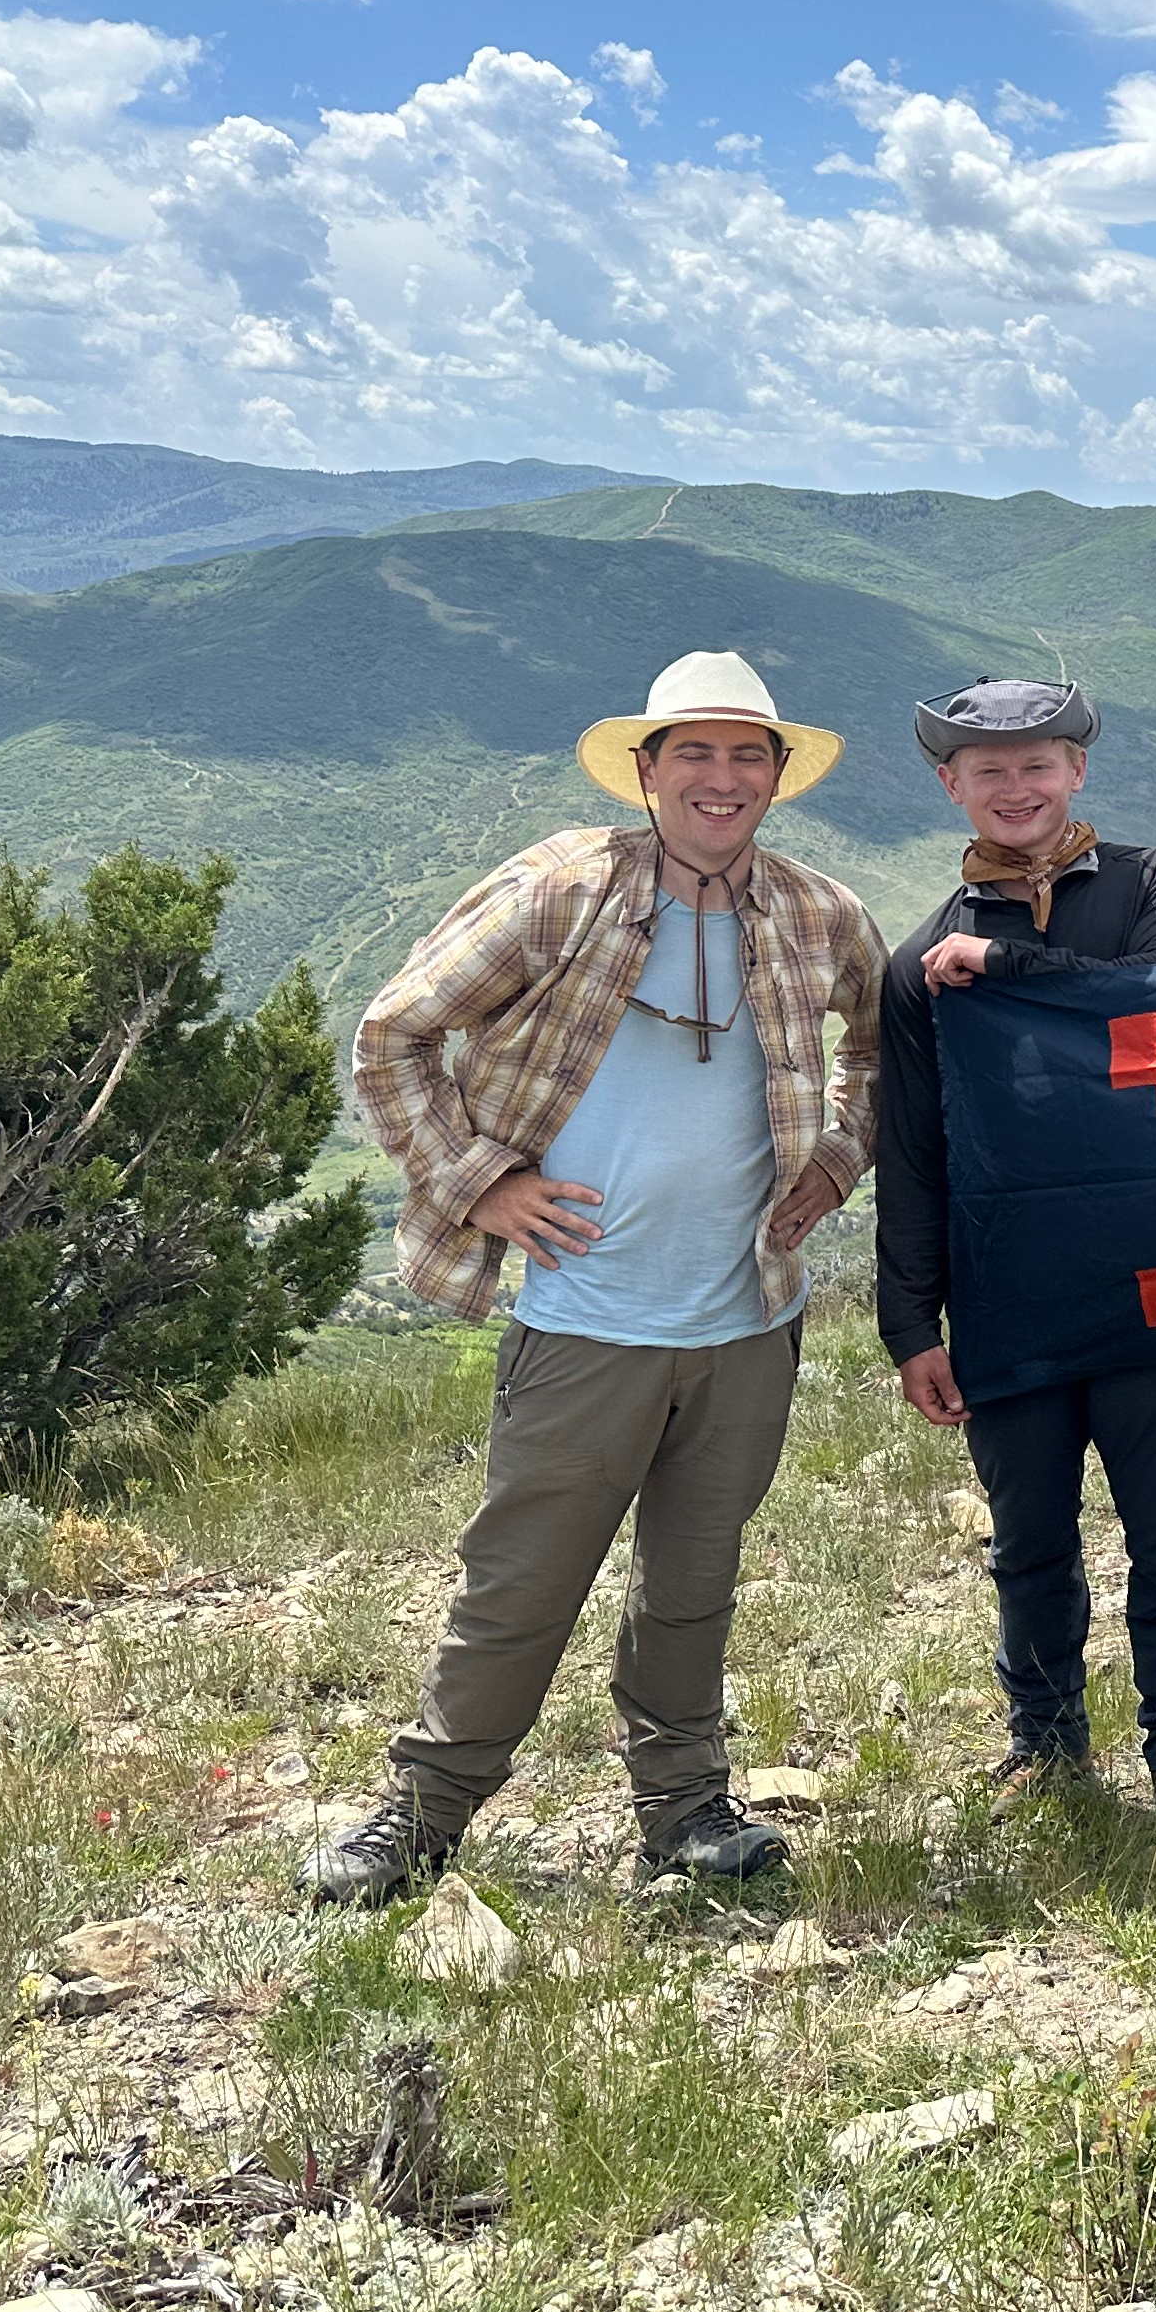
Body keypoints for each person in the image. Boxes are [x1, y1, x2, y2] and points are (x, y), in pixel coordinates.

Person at [309, 651, 881, 1907]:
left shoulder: (817, 913)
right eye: (696, 753)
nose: (721, 779)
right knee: (520, 1586)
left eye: (747, 756)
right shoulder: (559, 896)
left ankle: (683, 1812)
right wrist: (478, 1182)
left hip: (749, 1318)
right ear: (647, 769)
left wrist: (838, 1160)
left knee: (694, 1583)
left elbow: (882, 1057)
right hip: (586, 1319)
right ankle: (420, 1817)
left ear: (777, 778)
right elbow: (392, 1036)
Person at [873, 680, 1156, 1808]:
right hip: (1005, 1296)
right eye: (989, 771)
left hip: (1154, 1276)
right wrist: (908, 1324)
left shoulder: (1153, 883)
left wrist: (1015, 970)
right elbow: (912, 1152)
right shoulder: (922, 958)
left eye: (1038, 763)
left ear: (1076, 769)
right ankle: (1047, 1748)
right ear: (951, 787)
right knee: (1030, 1545)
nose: (1017, 787)